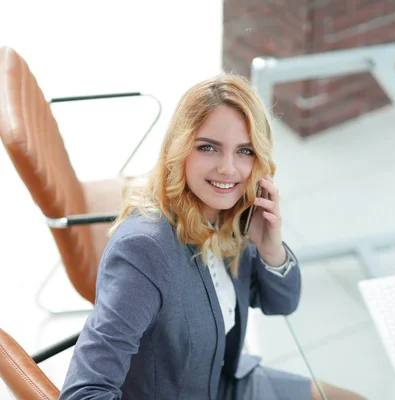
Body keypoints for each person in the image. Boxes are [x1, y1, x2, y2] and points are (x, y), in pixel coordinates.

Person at [59, 74, 365, 400]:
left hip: (227, 383)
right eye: (208, 148)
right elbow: (84, 393)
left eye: (244, 151)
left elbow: (281, 303)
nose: (228, 169)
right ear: (179, 150)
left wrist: (270, 248)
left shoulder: (230, 214)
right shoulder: (143, 251)